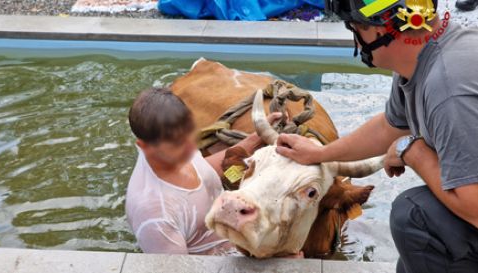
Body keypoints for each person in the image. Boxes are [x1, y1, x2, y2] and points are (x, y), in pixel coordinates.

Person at [275, 0, 478, 272]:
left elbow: (475, 208)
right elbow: (389, 127)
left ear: (382, 31)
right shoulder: (422, 59)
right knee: (409, 263)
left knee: (415, 216)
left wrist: (412, 151)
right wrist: (319, 154)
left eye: (356, 28)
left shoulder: (448, 89)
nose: (357, 42)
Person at [125, 87, 282, 255]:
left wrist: (256, 138)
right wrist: (283, 267)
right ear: (143, 146)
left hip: (239, 238)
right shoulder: (155, 216)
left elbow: (203, 168)